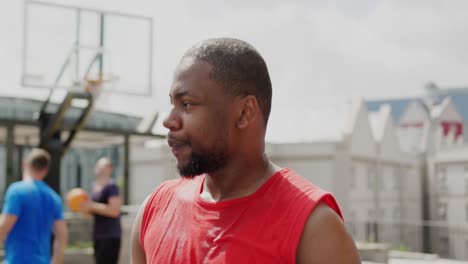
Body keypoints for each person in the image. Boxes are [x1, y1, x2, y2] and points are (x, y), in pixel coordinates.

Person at [131, 38, 360, 263]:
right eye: (173, 104)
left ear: (244, 113)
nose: (169, 121)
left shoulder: (314, 228)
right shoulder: (154, 210)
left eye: (187, 104)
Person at [0, 148, 68, 264]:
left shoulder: (17, 191)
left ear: (25, 164)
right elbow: (62, 235)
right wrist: (56, 261)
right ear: (46, 170)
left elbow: (4, 226)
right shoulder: (53, 197)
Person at [81, 157, 122, 264]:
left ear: (110, 169)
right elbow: (91, 212)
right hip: (98, 234)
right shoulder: (94, 187)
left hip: (111, 235)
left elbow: (115, 211)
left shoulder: (111, 186)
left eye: (104, 166)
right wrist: (84, 208)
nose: (101, 169)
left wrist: (92, 206)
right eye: (99, 166)